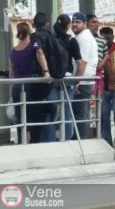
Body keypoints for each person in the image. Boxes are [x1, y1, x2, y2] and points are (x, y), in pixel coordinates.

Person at [42, 14, 85, 142]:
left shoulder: (50, 38)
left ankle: (49, 140)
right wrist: (77, 80)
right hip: (67, 79)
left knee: (51, 110)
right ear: (68, 26)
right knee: (66, 110)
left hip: (53, 78)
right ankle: (65, 140)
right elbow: (80, 63)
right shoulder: (72, 41)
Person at [27, 12, 56, 143]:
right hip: (51, 77)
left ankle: (35, 139)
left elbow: (39, 52)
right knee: (37, 105)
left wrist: (45, 71)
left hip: (41, 76)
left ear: (34, 24)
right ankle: (49, 108)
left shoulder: (35, 36)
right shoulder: (52, 35)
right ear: (47, 24)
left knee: (33, 106)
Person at [71, 12, 99, 139]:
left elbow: (81, 63)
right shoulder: (82, 37)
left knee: (79, 116)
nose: (74, 24)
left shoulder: (83, 38)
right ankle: (81, 140)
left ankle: (81, 142)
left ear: (85, 24)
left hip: (82, 83)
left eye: (78, 22)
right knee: (82, 115)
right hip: (84, 82)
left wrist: (76, 81)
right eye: (73, 22)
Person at [8, 22, 33, 143]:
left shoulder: (13, 50)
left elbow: (11, 71)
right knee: (31, 114)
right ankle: (30, 140)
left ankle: (21, 140)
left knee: (19, 115)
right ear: (29, 32)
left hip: (17, 86)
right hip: (30, 85)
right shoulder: (33, 47)